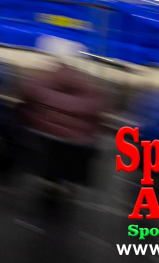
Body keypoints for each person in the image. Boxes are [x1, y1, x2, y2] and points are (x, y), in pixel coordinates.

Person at [21, 36, 109, 197]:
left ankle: (47, 180)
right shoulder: (90, 89)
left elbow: (27, 102)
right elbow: (99, 118)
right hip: (76, 146)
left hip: (44, 140)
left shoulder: (41, 82)